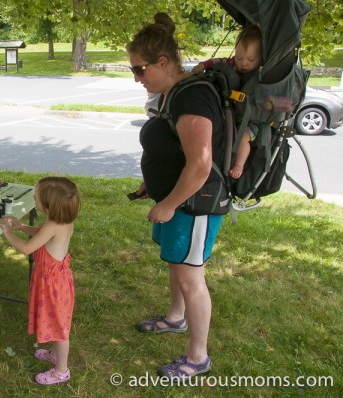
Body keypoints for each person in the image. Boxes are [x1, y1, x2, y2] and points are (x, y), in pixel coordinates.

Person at [126, 13, 225, 380]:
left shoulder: (193, 96)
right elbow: (172, 150)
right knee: (177, 264)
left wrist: (168, 203)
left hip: (194, 204)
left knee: (191, 277)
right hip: (176, 201)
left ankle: (198, 358)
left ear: (163, 63)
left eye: (139, 69)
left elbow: (200, 165)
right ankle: (175, 318)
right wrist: (153, 187)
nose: (136, 77)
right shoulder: (172, 94)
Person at [0, 177, 81, 385]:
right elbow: (41, 234)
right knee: (55, 321)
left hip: (53, 285)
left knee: (60, 329)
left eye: (36, 198)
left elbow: (26, 249)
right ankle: (54, 354)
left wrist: (7, 232)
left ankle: (61, 371)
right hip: (54, 281)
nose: (34, 199)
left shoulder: (53, 224)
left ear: (49, 204)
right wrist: (22, 226)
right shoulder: (60, 221)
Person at [191, 25, 263, 179]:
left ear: (261, 58)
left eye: (251, 60)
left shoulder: (261, 74)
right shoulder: (231, 64)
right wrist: (202, 66)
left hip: (250, 121)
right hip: (229, 115)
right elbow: (216, 60)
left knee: (243, 138)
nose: (244, 64)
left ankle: (238, 165)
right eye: (239, 58)